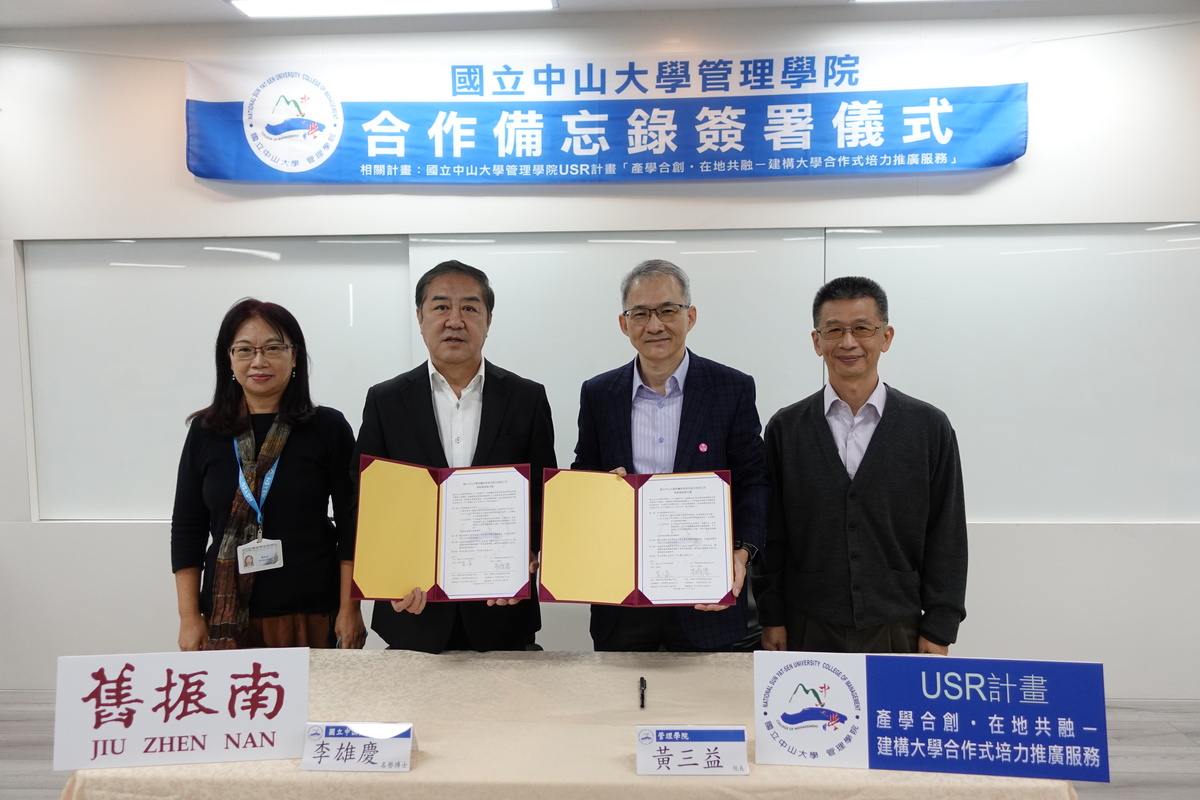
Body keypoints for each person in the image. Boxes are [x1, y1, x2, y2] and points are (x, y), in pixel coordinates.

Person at [353, 260, 556, 653]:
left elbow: (541, 498)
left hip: (502, 612)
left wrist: (525, 560)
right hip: (413, 610)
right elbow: (366, 501)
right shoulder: (386, 400)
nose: (455, 320)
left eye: (470, 308)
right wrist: (388, 577)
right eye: (441, 307)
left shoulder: (527, 398)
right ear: (420, 316)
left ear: (489, 319)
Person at [758, 276, 967, 655]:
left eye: (862, 329)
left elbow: (947, 536)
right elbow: (772, 534)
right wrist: (771, 616)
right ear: (816, 341)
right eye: (834, 330)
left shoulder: (928, 427)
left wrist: (939, 627)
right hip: (807, 625)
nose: (848, 342)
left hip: (899, 624)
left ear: (885, 337)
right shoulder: (785, 429)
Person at [572, 259, 767, 651]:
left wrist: (742, 554)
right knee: (621, 710)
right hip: (622, 601)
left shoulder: (731, 389)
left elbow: (754, 481)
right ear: (624, 324)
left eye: (667, 311)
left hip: (705, 602)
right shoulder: (598, 394)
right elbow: (582, 476)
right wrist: (600, 491)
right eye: (640, 313)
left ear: (690, 316)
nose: (654, 325)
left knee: (708, 711)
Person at [171, 298, 366, 650]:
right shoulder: (206, 431)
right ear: (228, 359)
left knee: (317, 706)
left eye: (273, 348)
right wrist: (188, 617)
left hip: (309, 611)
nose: (259, 361)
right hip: (224, 615)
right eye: (245, 349)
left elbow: (354, 523)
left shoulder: (328, 427)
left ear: (295, 357)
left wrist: (350, 608)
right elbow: (188, 526)